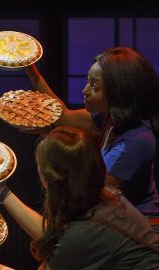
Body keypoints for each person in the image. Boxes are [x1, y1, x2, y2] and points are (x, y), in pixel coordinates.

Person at [0, 126, 159, 270]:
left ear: (48, 177)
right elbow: (52, 233)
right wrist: (0, 189)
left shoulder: (80, 237)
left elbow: (67, 241)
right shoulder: (104, 196)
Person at [23, 47, 159, 224]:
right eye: (88, 81)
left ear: (118, 92)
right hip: (112, 217)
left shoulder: (137, 141)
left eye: (95, 86)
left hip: (138, 229)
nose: (85, 91)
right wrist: (29, 67)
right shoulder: (111, 116)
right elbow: (63, 117)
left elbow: (91, 191)